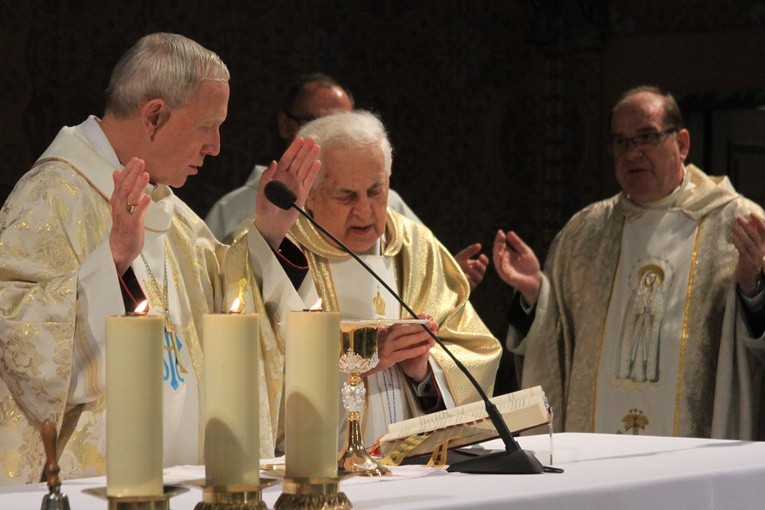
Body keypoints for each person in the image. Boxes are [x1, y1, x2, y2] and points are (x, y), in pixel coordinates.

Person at [0, 33, 320, 484]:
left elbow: (228, 313)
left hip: (187, 481)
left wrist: (268, 231)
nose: (216, 147)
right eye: (207, 127)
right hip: (96, 488)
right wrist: (109, 263)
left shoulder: (173, 217)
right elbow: (15, 339)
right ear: (154, 116)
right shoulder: (51, 198)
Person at [493, 85, 765, 440]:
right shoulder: (584, 234)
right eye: (621, 142)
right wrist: (534, 294)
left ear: (681, 144)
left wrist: (752, 287)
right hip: (598, 448)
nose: (632, 153)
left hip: (691, 452)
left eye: (646, 137)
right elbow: (556, 345)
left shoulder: (737, 224)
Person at [228, 110, 502, 449]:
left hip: (414, 470)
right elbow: (255, 374)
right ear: (308, 194)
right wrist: (362, 359)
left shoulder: (416, 249)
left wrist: (424, 371)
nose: (365, 211)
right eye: (346, 195)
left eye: (376, 191)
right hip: (320, 471)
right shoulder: (271, 250)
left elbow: (475, 354)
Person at [206, 73, 488, 289]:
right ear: (284, 125)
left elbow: (433, 301)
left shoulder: (398, 226)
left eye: (344, 121)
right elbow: (225, 295)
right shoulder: (234, 211)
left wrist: (446, 282)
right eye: (315, 121)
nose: (365, 210)